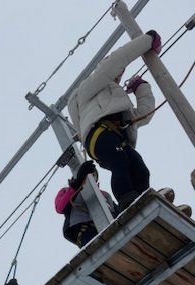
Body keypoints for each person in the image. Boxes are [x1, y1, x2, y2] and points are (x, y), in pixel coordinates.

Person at [68, 31, 161, 212]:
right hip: (98, 133)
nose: (118, 75)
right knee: (120, 162)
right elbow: (116, 61)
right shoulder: (87, 90)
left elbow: (144, 114)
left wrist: (141, 87)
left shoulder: (119, 105)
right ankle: (127, 201)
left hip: (117, 136)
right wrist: (148, 40)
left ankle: (144, 202)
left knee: (140, 170)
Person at [55, 160, 117, 248]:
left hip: (108, 225)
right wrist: (77, 184)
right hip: (84, 230)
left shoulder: (104, 195)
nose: (89, 178)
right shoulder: (67, 191)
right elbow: (60, 208)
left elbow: (115, 211)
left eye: (92, 176)